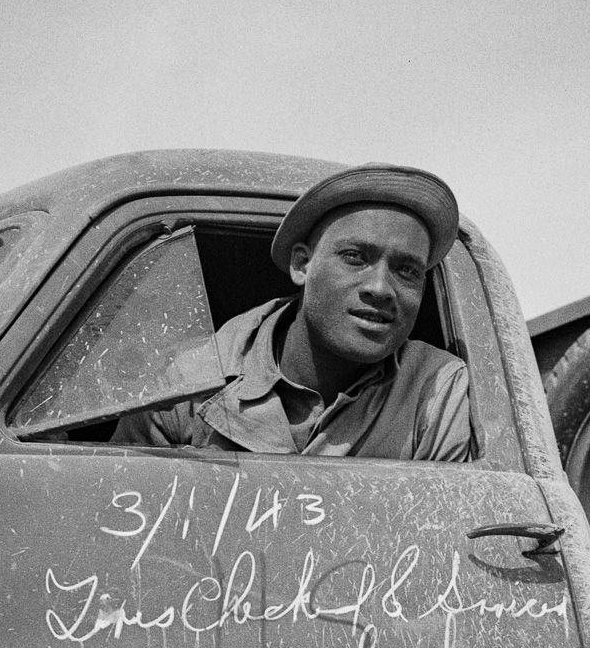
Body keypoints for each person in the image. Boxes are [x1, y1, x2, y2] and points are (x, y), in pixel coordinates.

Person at [113, 163, 471, 460]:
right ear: (302, 265)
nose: (380, 288)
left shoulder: (436, 390)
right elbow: (123, 517)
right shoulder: (188, 383)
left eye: (407, 271)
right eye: (355, 258)